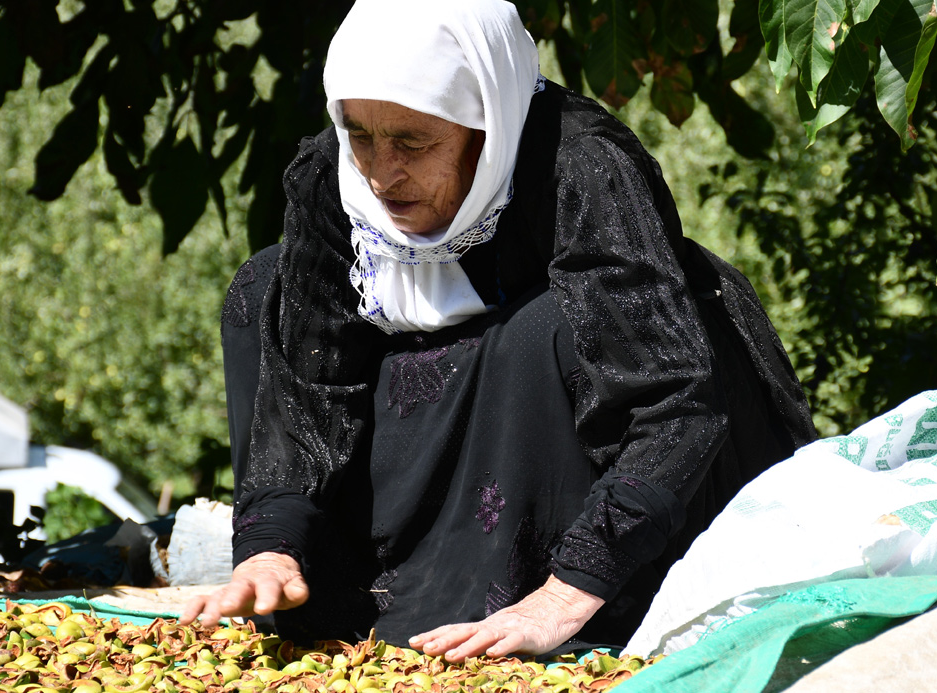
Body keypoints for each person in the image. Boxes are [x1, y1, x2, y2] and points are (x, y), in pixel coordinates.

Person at [181, 0, 816, 661]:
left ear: (486, 124)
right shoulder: (331, 180)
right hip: (431, 427)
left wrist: (563, 596)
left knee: (549, 322)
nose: (379, 172)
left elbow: (674, 407)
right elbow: (310, 390)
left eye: (413, 142)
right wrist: (272, 545)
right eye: (361, 135)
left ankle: (553, 599)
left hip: (570, 459)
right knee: (263, 286)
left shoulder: (580, 169)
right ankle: (346, 594)